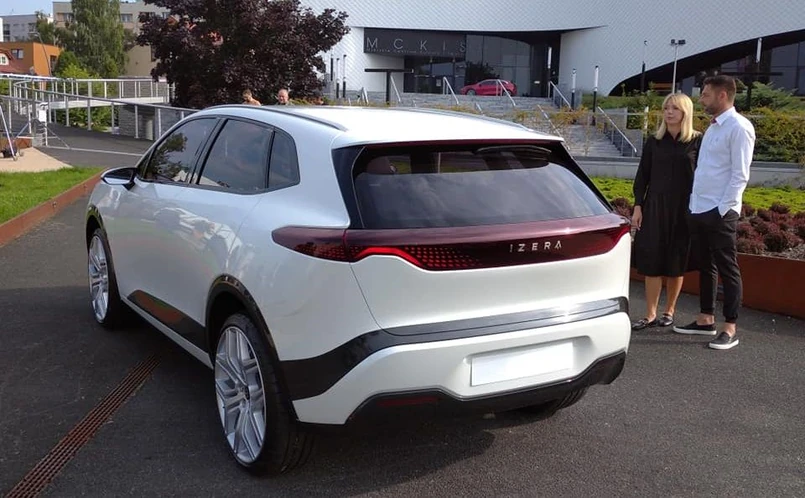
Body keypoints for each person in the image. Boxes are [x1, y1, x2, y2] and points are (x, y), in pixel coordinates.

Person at [673, 75, 755, 350]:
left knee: (727, 268)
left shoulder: (739, 127)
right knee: (706, 265)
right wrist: (694, 205)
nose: (701, 99)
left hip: (720, 212)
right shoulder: (713, 127)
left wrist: (722, 209)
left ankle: (730, 327)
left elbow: (740, 174)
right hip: (699, 207)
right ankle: (705, 319)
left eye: (706, 94)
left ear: (722, 95)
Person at [631, 92, 702, 331]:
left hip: (684, 208)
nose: (669, 112)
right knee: (652, 260)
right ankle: (650, 314)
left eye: (675, 108)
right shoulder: (654, 141)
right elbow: (642, 176)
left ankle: (669, 311)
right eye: (666, 108)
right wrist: (638, 206)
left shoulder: (697, 141)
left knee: (676, 261)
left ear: (685, 112)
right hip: (654, 206)